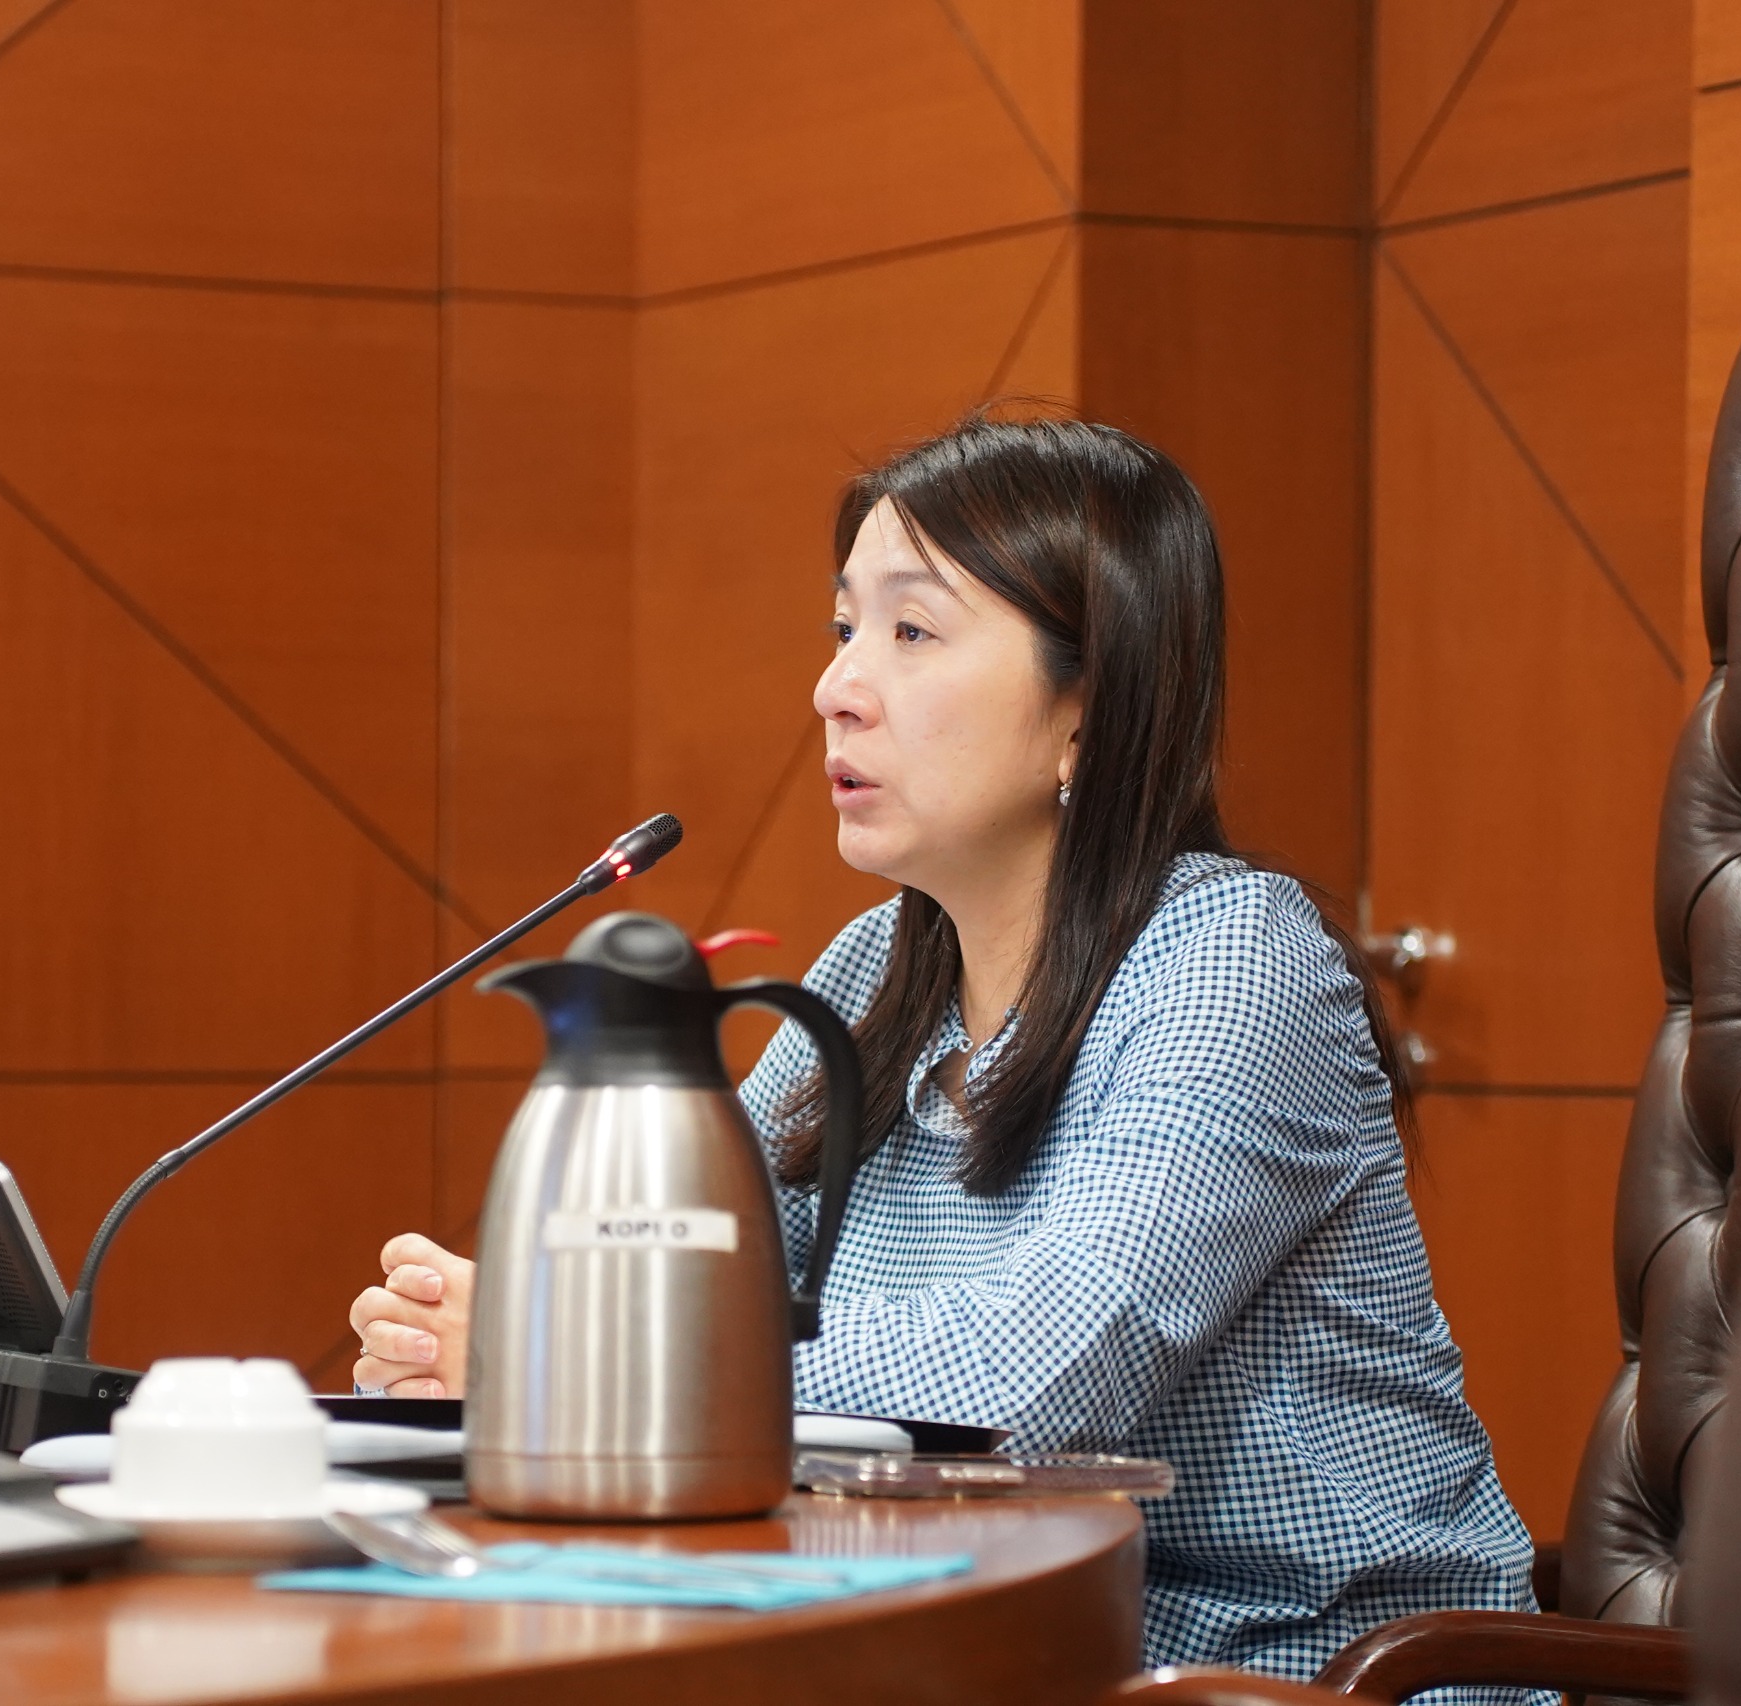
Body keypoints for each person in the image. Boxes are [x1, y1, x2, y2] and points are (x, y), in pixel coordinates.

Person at [350, 416, 1541, 1687]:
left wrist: (565, 1353)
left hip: (1295, 1671)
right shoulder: (869, 970)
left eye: (910, 632)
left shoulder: (1234, 956)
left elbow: (1031, 1374)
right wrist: (487, 1343)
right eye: (842, 627)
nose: (836, 687)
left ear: (1088, 708)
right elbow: (692, 1275)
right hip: (982, 1645)